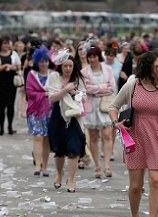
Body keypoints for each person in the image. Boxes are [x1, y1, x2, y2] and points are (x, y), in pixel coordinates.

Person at [108, 50, 158, 217]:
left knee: (155, 180)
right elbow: (113, 107)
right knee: (136, 186)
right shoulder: (133, 85)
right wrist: (116, 123)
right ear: (148, 67)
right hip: (136, 137)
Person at [45, 51, 86, 193]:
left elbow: (83, 96)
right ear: (60, 66)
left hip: (74, 117)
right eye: (65, 66)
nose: (68, 69)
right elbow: (52, 97)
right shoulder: (54, 77)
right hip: (58, 117)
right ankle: (60, 174)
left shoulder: (78, 79)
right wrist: (66, 89)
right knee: (59, 151)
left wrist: (75, 93)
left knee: (74, 149)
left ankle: (71, 179)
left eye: (70, 66)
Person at [81, 46, 116, 178]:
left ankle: (107, 166)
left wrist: (96, 88)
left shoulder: (107, 69)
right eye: (90, 57)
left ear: (98, 57)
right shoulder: (84, 72)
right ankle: (97, 165)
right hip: (91, 107)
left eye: (94, 56)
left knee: (107, 135)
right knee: (94, 137)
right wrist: (102, 87)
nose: (92, 59)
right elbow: (86, 88)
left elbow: (111, 87)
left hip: (105, 105)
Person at [25, 48, 53, 177]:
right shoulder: (32, 75)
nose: (43, 63)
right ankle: (37, 166)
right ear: (36, 62)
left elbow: (57, 90)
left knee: (47, 138)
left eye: (46, 61)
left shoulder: (54, 75)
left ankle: (46, 167)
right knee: (37, 137)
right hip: (35, 110)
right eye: (41, 61)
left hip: (50, 110)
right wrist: (45, 94)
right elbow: (30, 92)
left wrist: (47, 95)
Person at [0, 36, 21, 136]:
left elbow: (19, 66)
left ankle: (10, 127)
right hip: (0, 82)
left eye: (8, 43)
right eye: (4, 43)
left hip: (11, 82)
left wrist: (12, 67)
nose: (6, 45)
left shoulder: (14, 54)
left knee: (10, 105)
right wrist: (4, 66)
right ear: (0, 44)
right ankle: (1, 128)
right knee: (1, 106)